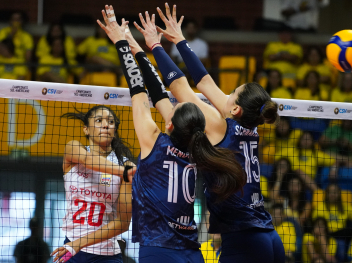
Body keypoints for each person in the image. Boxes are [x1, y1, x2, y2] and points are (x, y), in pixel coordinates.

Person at [55, 6, 245, 263]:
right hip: (192, 252)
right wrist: (139, 49)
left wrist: (123, 44)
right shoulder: (201, 149)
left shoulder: (153, 142)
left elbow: (140, 88)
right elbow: (158, 94)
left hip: (159, 250)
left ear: (169, 124)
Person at [135, 4, 285, 262]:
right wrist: (180, 40)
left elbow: (181, 84)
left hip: (245, 239)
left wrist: (156, 46)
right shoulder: (250, 123)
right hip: (269, 236)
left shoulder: (219, 125)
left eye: (231, 93)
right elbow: (205, 81)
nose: (223, 94)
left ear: (236, 108)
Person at [50, 103, 136, 263]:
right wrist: (125, 172)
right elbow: (88, 160)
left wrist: (79, 244)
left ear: (114, 130)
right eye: (99, 121)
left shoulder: (125, 165)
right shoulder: (73, 149)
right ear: (86, 129)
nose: (105, 125)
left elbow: (123, 223)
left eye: (111, 122)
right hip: (71, 250)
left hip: (106, 254)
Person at [312, 183, 352, 262]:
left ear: (339, 194)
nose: (332, 194)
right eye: (330, 192)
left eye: (335, 192)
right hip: (325, 236)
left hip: (340, 236)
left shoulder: (346, 207)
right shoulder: (320, 207)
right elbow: (316, 226)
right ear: (326, 194)